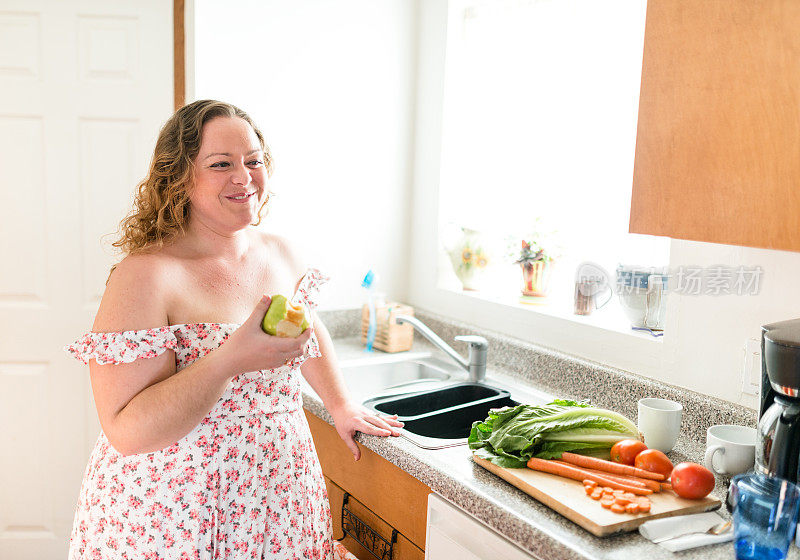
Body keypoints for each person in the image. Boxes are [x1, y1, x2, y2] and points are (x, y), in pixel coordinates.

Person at [64, 99, 403, 559]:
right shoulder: (146, 275)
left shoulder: (280, 252)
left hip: (280, 503)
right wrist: (230, 359)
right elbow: (128, 431)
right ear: (180, 176)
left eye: (253, 161)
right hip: (175, 515)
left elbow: (309, 326)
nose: (243, 177)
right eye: (221, 164)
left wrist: (340, 404)